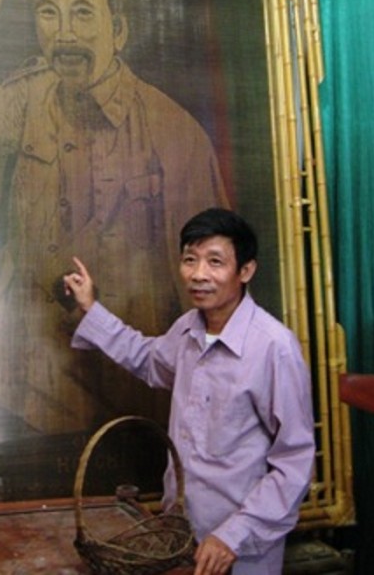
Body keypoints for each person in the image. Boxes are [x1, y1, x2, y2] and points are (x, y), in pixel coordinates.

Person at [0, 0, 229, 434]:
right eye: (49, 12)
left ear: (118, 29)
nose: (64, 33)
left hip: (127, 393)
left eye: (82, 13)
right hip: (28, 388)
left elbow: (210, 287)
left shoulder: (174, 133)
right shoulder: (23, 101)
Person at [63, 208, 315, 574]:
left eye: (215, 262)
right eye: (190, 260)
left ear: (245, 270)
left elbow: (295, 461)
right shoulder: (187, 330)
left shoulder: (275, 347)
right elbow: (148, 359)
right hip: (180, 535)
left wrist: (234, 535)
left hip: (242, 550)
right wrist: (90, 306)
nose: (198, 274)